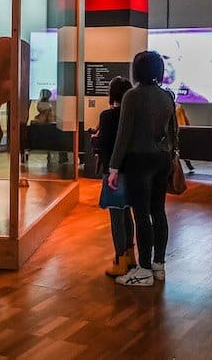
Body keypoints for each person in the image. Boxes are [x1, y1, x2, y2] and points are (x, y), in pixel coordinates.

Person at [107, 50, 179, 287]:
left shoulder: (132, 96)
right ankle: (159, 265)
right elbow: (173, 132)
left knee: (141, 215)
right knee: (158, 211)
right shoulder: (167, 96)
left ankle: (144, 269)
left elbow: (123, 135)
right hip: (162, 159)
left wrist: (114, 167)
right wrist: (172, 156)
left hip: (139, 161)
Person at [91, 76, 135, 277]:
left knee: (117, 216)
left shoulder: (107, 117)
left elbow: (102, 144)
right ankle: (131, 256)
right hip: (133, 171)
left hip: (113, 172)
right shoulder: (134, 116)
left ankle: (120, 261)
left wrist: (95, 140)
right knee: (127, 214)